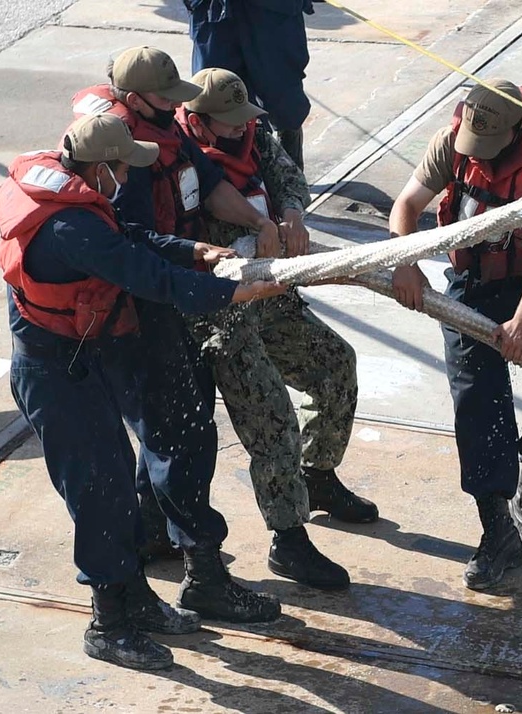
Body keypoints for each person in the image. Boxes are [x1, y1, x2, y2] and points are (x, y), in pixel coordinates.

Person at [0, 113, 286, 669]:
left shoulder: (77, 199)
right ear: (99, 167)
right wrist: (234, 294)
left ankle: (136, 598)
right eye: (123, 168)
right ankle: (109, 625)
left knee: (112, 479)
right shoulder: (68, 229)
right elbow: (146, 277)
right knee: (99, 491)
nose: (129, 178)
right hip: (55, 374)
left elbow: (128, 238)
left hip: (81, 358)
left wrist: (191, 250)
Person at [70, 46, 288, 585]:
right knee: (182, 433)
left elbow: (211, 187)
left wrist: (260, 225)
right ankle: (203, 576)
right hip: (147, 310)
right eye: (166, 97)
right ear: (133, 97)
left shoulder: (167, 128)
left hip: (179, 285)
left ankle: (150, 536)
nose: (175, 105)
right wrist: (213, 282)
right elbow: (136, 252)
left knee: (169, 431)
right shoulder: (119, 157)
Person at [176, 67, 377, 590]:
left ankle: (319, 474)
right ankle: (288, 539)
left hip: (272, 295)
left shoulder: (250, 131)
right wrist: (258, 224)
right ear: (198, 119)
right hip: (222, 312)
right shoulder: (179, 153)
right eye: (228, 122)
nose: (240, 129)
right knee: (272, 418)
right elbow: (215, 196)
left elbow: (286, 173)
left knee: (335, 364)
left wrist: (290, 214)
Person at [387, 80, 522, 591]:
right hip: (473, 282)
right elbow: (406, 206)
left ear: (516, 128)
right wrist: (405, 261)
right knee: (479, 401)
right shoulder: (452, 140)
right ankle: (495, 526)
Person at [186, 0, 315, 169]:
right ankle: (231, 174)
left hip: (273, 15)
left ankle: (290, 175)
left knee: (284, 98)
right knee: (215, 94)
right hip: (215, 12)